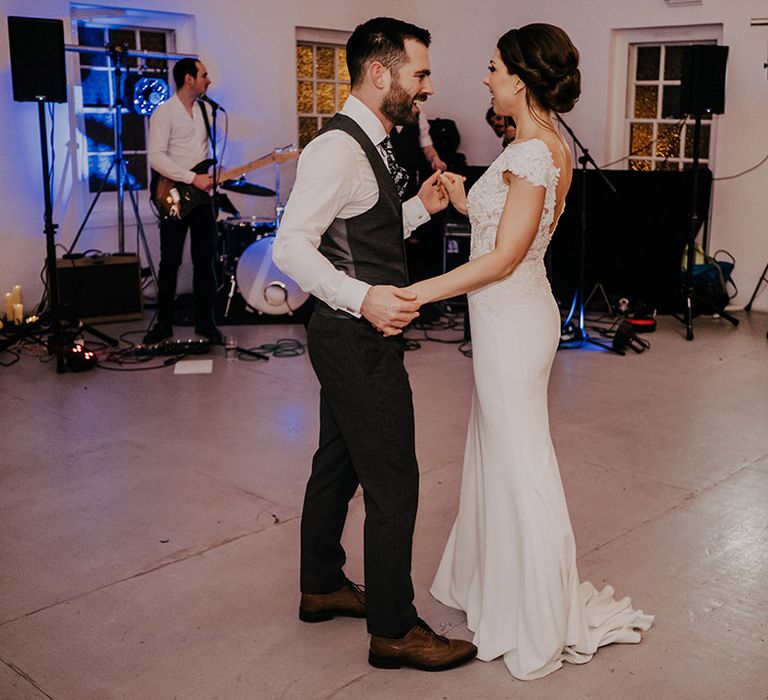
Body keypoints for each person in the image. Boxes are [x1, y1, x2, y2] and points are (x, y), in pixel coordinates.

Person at [403, 24, 654, 680]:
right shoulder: (539, 147)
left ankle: (538, 615)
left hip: (512, 322)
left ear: (519, 78)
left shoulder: (535, 154)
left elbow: (506, 256)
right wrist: (464, 199)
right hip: (509, 316)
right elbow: (513, 231)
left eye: (491, 68)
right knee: (497, 451)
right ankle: (495, 588)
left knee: (523, 464)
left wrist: (418, 292)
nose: (484, 79)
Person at [272, 17, 477, 672]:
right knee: (395, 478)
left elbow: (366, 227)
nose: (427, 86)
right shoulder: (335, 148)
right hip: (354, 337)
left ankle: (321, 584)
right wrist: (363, 297)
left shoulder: (372, 142)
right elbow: (290, 247)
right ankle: (394, 628)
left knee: (339, 460)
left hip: (353, 336)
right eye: (419, 73)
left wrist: (419, 206)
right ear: (380, 72)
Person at [144, 57, 223, 345]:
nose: (208, 80)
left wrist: (210, 173)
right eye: (204, 74)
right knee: (171, 261)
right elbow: (156, 157)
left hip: (201, 196)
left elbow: (200, 153)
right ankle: (163, 323)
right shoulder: (164, 113)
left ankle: (206, 322)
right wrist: (191, 178)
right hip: (173, 195)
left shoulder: (204, 110)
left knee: (206, 259)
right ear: (188, 78)